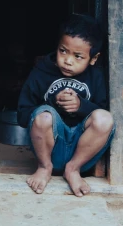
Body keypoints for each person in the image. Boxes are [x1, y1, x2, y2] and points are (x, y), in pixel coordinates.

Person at [17, 14, 115, 196]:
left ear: (93, 58)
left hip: (83, 150)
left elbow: (102, 111)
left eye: (78, 56)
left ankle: (73, 169)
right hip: (49, 149)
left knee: (104, 118)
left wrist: (81, 106)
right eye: (63, 51)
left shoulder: (96, 76)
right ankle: (44, 168)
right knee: (44, 115)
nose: (68, 60)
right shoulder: (41, 72)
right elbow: (22, 116)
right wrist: (52, 104)